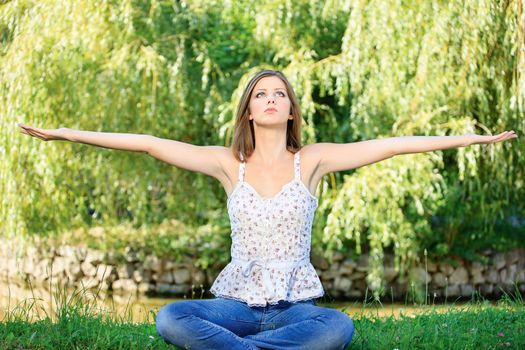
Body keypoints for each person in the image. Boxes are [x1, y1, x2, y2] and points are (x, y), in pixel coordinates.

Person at [19, 69, 517, 349]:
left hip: (294, 311)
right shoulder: (225, 163)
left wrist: (470, 139)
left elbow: (392, 144)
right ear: (250, 111)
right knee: (171, 317)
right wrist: (67, 133)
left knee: (338, 327)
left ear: (292, 110)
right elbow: (148, 143)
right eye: (262, 94)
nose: (272, 99)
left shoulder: (314, 161)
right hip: (234, 309)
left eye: (281, 94)